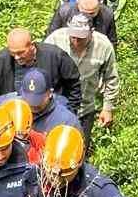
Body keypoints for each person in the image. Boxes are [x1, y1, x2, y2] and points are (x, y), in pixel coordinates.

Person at [48, 11, 119, 157]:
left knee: (79, 154)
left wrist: (107, 108)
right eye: (72, 36)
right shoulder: (55, 39)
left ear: (91, 33)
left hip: (85, 110)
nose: (75, 41)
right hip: (56, 108)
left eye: (80, 38)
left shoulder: (103, 45)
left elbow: (111, 78)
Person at [0, 27, 82, 115]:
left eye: (20, 52)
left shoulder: (56, 56)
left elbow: (73, 85)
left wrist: (69, 113)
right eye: (12, 53)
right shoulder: (2, 60)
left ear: (32, 46)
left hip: (48, 115)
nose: (16, 57)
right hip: (14, 116)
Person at [0, 68, 80, 137]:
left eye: (37, 99)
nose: (32, 104)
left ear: (50, 93)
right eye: (28, 98)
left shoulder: (66, 121)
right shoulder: (8, 105)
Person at [46, 0, 118, 50]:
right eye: (83, 12)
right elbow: (50, 38)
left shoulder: (107, 15)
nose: (87, 17)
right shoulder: (64, 12)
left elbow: (112, 42)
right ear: (77, 2)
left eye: (91, 13)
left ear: (100, 4)